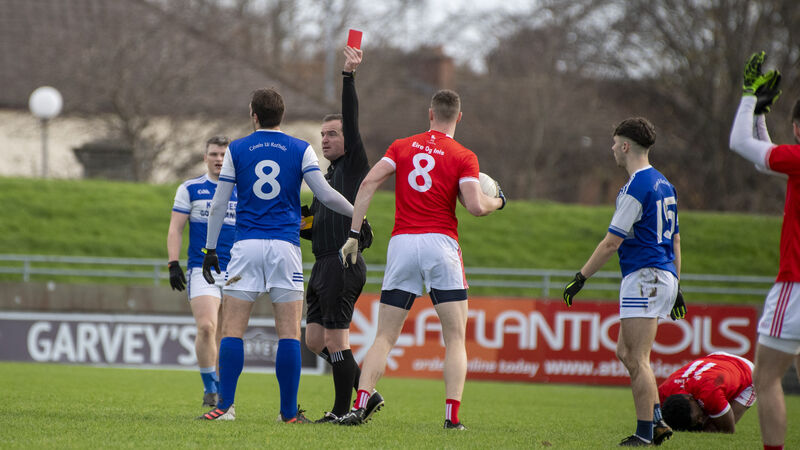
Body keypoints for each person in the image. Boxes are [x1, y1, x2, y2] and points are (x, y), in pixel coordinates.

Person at [337, 89, 506, 429]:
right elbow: (476, 206)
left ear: (430, 113)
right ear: (459, 117)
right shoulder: (463, 156)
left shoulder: (402, 146)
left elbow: (368, 183)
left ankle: (360, 405)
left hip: (402, 244)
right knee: (454, 337)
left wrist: (354, 234)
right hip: (440, 244)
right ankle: (451, 418)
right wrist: (499, 201)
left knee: (384, 336)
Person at [197, 88, 355, 422]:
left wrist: (210, 249)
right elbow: (326, 195)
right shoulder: (301, 148)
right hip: (285, 247)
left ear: (254, 115)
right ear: (282, 115)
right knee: (288, 333)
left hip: (246, 246)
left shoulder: (237, 149)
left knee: (232, 330)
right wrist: (359, 217)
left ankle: (224, 407)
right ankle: (288, 413)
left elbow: (219, 204)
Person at [561, 117, 685, 447]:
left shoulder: (636, 187)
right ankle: (656, 419)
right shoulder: (664, 184)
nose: (612, 148)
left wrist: (580, 278)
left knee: (638, 358)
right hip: (661, 274)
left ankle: (645, 433)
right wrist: (676, 284)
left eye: (615, 143)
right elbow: (674, 240)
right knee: (626, 352)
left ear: (626, 146)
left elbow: (611, 243)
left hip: (645, 276)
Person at [300, 45, 383, 423]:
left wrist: (348, 76)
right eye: (322, 134)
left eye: (332, 133)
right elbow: (315, 227)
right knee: (315, 340)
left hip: (342, 262)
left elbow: (351, 117)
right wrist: (300, 223)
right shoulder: (327, 178)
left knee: (337, 341)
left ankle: (340, 411)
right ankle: (368, 392)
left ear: (349, 140)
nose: (325, 139)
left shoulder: (353, 167)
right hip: (322, 264)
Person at [729, 51, 800, 450]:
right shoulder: (794, 162)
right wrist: (760, 117)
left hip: (796, 283)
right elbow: (766, 161)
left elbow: (740, 144)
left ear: (797, 128)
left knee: (767, 376)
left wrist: (748, 97)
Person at [166, 135, 235, 408]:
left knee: (226, 335)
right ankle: (211, 389)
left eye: (224, 155)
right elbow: (175, 228)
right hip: (202, 269)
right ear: (205, 158)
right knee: (206, 327)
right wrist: (173, 263)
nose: (219, 159)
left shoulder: (242, 190)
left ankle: (224, 392)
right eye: (214, 154)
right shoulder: (191, 188)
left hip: (237, 271)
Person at [658, 352, 755, 433]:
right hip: (716, 360)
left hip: (748, 373)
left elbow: (728, 432)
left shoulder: (711, 395)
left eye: (698, 418)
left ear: (690, 399)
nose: (701, 420)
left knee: (713, 431)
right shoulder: (662, 393)